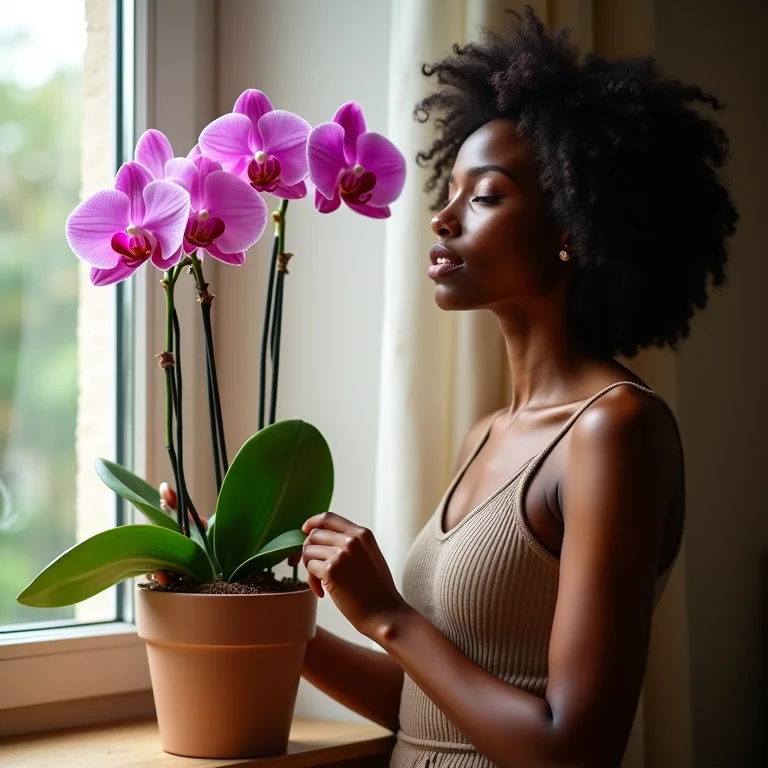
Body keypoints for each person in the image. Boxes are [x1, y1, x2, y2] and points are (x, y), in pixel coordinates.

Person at [159, 8, 737, 766]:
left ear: (572, 224)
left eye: (486, 196)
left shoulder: (614, 430)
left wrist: (392, 617)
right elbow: (426, 710)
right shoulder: (488, 434)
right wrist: (230, 598)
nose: (442, 218)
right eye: (450, 190)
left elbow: (577, 748)